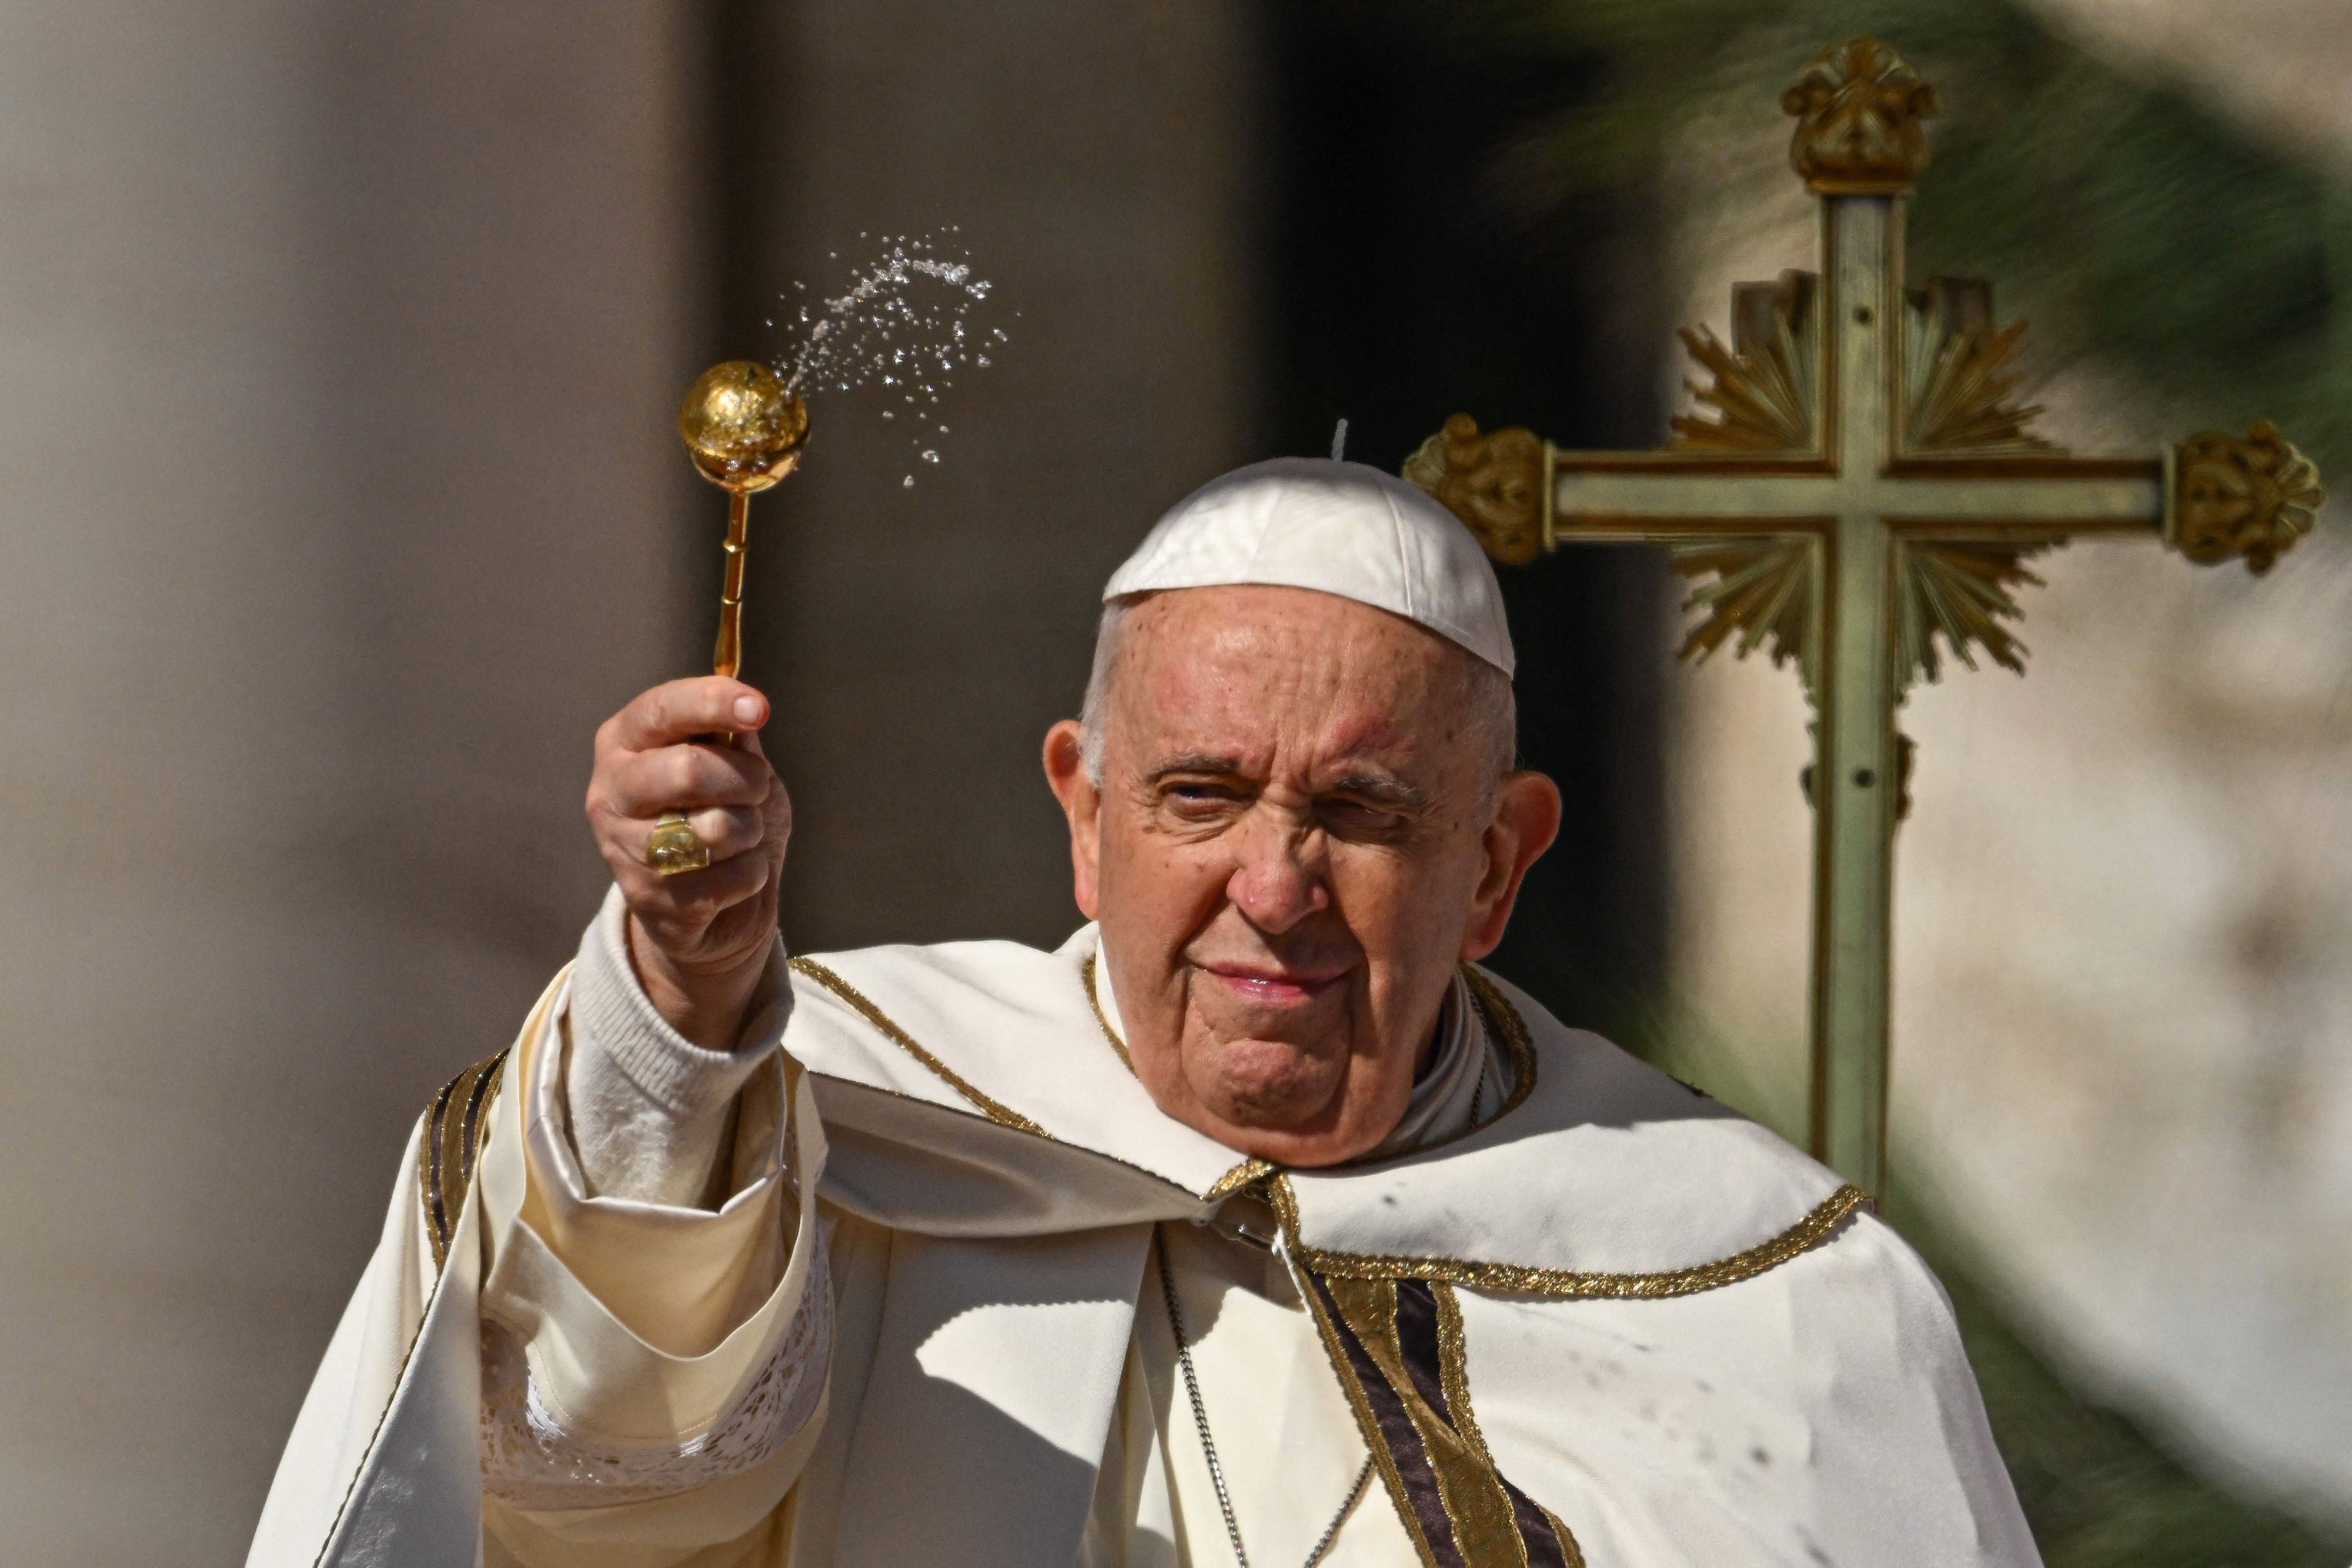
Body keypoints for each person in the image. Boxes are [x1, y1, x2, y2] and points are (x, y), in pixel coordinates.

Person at [248, 459, 2040, 1567]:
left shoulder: (1780, 1299)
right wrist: (679, 1006)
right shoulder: (836, 1124)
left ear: (1497, 865)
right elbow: (579, 1468)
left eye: (1360, 814)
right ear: (1080, 817)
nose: (1275, 886)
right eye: (1200, 796)